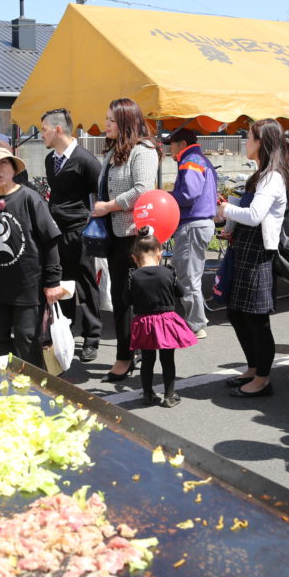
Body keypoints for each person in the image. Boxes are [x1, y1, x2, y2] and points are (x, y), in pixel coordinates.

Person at [214, 119, 289, 398]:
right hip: (245, 247)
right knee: (236, 312)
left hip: (258, 251)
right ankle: (253, 367)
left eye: (249, 138)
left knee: (256, 317)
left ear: (262, 142)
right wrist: (229, 207)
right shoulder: (260, 174)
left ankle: (263, 379)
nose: (245, 142)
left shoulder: (272, 177)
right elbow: (248, 209)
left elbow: (256, 216)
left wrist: (226, 210)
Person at [0, 146, 64, 367]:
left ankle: (34, 387)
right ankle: (20, 372)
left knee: (27, 338)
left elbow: (50, 241)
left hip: (30, 285)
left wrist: (53, 282)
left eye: (2, 164)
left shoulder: (30, 198)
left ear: (13, 168)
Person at [91, 98, 161, 382]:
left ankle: (126, 357)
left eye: (110, 119)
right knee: (121, 299)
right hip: (113, 233)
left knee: (129, 299)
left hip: (134, 236)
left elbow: (144, 190)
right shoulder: (113, 150)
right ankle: (130, 353)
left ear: (125, 121)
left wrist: (109, 206)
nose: (105, 123)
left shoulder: (143, 150)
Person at [41, 108, 103, 362]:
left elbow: (100, 194)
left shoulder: (87, 160)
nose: (40, 134)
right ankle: (64, 331)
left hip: (80, 231)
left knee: (86, 284)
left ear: (58, 129)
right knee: (61, 283)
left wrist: (93, 225)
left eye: (43, 129)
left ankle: (92, 337)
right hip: (56, 231)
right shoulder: (49, 160)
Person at [127, 226, 198, 407]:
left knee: (147, 361)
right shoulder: (168, 272)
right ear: (159, 253)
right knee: (167, 360)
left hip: (144, 322)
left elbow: (125, 299)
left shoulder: (133, 276)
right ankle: (169, 395)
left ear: (134, 257)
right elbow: (181, 292)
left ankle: (148, 394)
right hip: (166, 321)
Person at [165, 127, 217, 338]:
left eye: (172, 144)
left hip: (192, 224)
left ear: (182, 145)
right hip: (199, 224)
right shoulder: (201, 159)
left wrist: (167, 197)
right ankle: (193, 320)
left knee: (188, 276)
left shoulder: (190, 160)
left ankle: (196, 324)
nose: (169, 149)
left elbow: (188, 194)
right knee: (185, 273)